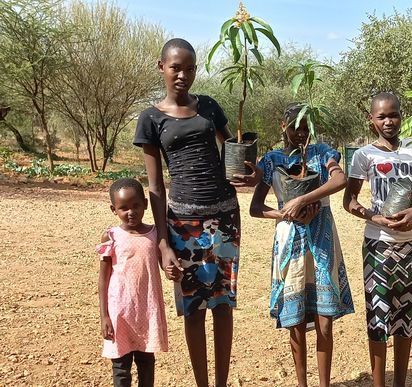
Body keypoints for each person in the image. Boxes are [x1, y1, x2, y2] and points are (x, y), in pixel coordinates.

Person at [133, 38, 259, 387]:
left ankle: (221, 383)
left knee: (222, 303)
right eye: (175, 67)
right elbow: (156, 188)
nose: (182, 75)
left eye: (189, 68)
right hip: (182, 223)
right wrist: (162, 244)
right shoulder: (151, 119)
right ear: (161, 67)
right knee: (192, 307)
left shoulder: (209, 108)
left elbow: (233, 149)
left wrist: (250, 170)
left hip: (225, 216)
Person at [249, 103, 355, 387]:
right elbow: (256, 207)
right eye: (295, 126)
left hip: (321, 239)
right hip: (290, 241)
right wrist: (285, 212)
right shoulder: (272, 160)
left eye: (306, 127)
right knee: (294, 317)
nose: (301, 133)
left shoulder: (323, 153)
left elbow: (340, 179)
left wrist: (304, 200)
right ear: (283, 126)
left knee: (324, 317)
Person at [343, 92, 412, 387]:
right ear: (371, 119)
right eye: (382, 116)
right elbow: (349, 200)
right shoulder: (363, 155)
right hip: (378, 245)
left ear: (402, 115)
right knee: (378, 316)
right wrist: (375, 218)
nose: (389, 121)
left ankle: (399, 382)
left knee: (404, 316)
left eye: (394, 115)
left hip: (410, 244)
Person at [97, 178, 168, 387]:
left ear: (145, 204)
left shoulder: (155, 234)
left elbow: (164, 264)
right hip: (120, 313)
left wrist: (172, 270)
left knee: (146, 362)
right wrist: (104, 316)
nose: (131, 212)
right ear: (114, 209)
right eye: (124, 208)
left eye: (136, 205)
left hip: (147, 312)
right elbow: (103, 279)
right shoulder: (111, 236)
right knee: (121, 366)